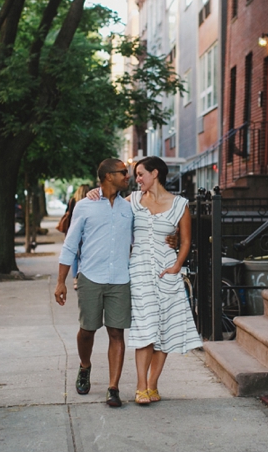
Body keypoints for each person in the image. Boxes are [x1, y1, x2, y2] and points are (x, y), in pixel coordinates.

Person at [87, 156, 201, 405]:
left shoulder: (180, 204)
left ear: (155, 173)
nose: (136, 179)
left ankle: (152, 385)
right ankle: (140, 387)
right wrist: (96, 192)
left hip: (167, 272)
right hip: (139, 272)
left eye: (140, 174)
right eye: (135, 174)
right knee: (145, 329)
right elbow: (112, 205)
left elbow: (185, 241)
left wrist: (176, 266)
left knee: (165, 330)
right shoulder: (133, 201)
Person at [54, 159, 133, 408]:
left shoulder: (129, 207)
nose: (127, 176)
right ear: (108, 176)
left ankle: (113, 388)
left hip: (120, 279)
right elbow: (70, 245)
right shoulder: (84, 206)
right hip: (91, 277)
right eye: (123, 172)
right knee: (87, 331)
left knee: (116, 332)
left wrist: (172, 238)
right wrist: (61, 282)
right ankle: (85, 365)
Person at [66, 185, 91, 290]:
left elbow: (69, 215)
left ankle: (75, 280)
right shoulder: (90, 201)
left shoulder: (73, 201)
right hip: (86, 230)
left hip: (75, 229)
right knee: (83, 253)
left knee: (75, 256)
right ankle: (82, 276)